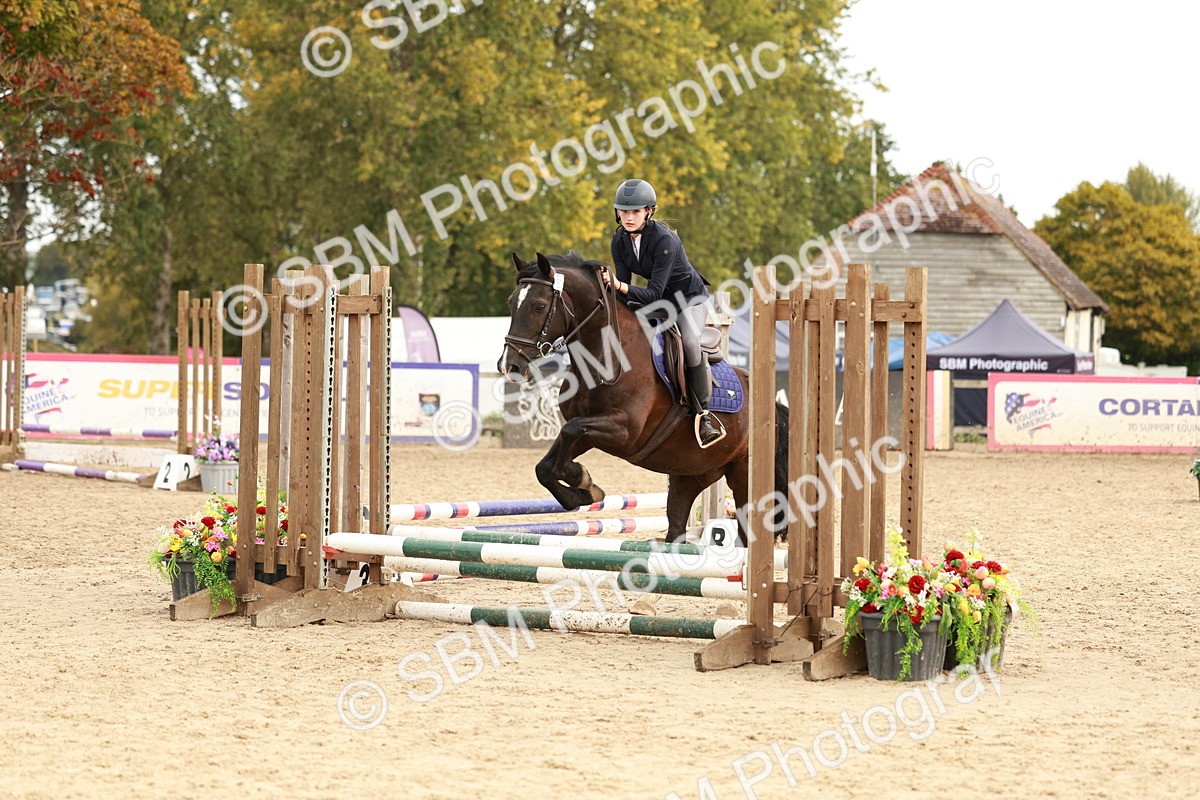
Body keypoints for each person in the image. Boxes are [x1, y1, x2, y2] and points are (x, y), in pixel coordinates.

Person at [602, 178, 726, 448]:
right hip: (657, 299)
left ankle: (704, 415)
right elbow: (625, 287)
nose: (629, 217)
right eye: (624, 211)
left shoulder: (664, 240)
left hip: (687, 299)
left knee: (691, 342)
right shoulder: (619, 240)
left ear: (649, 212)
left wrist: (620, 286)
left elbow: (652, 292)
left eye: (635, 211)